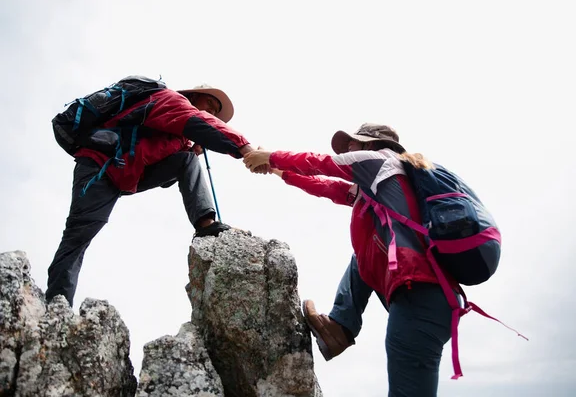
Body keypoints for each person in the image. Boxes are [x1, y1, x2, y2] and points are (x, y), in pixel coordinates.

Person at [244, 124, 456, 397]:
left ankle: (341, 326)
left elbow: (321, 164)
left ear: (370, 144)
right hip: (422, 296)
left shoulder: (379, 161)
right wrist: (280, 172)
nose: (347, 150)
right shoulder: (377, 187)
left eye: (352, 144)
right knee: (362, 255)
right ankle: (340, 328)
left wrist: (271, 156)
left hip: (422, 296)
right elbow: (328, 187)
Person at [46, 83, 265, 307]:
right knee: (78, 237)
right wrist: (246, 149)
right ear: (194, 96)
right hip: (99, 167)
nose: (212, 112)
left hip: (128, 173)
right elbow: (201, 124)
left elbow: (169, 176)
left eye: (216, 111)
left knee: (187, 161)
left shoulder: (178, 134)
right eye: (209, 104)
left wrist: (189, 151)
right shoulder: (170, 100)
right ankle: (57, 305)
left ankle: (205, 223)